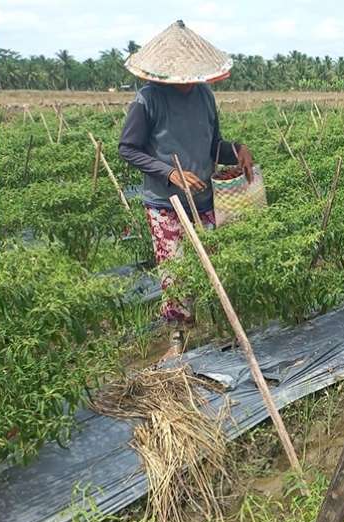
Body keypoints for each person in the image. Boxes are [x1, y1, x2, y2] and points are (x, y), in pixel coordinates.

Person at [119, 20, 254, 357]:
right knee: (176, 274)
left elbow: (213, 146)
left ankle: (224, 333)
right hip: (166, 205)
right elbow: (128, 148)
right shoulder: (147, 100)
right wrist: (170, 173)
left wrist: (238, 149)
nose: (191, 81)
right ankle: (177, 339)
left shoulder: (205, 96)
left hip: (205, 200)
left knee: (212, 268)